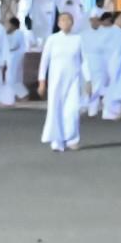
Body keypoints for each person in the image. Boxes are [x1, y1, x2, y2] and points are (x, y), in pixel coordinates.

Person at [38, 11, 88, 152]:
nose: (66, 22)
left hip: (73, 80)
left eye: (68, 20)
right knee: (55, 109)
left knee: (72, 110)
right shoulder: (52, 39)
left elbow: (84, 61)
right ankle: (57, 140)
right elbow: (44, 61)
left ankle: (71, 139)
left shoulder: (78, 39)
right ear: (58, 23)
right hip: (56, 81)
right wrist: (42, 81)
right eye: (63, 20)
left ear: (72, 23)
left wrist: (88, 80)